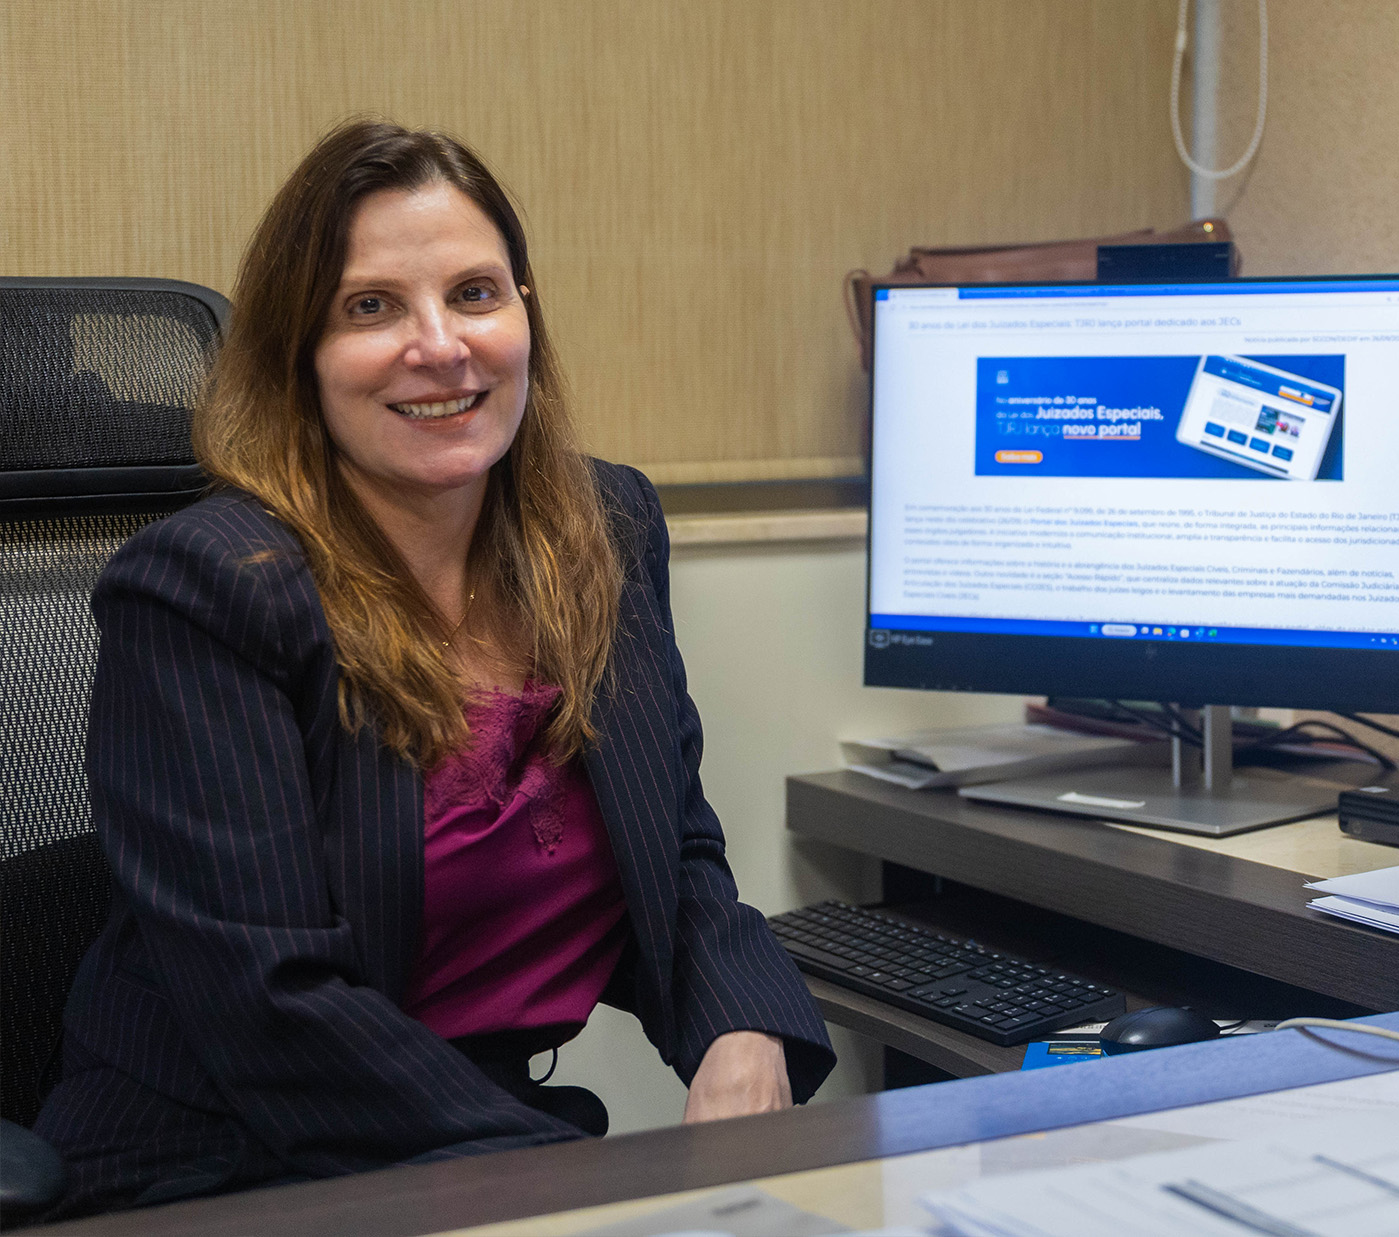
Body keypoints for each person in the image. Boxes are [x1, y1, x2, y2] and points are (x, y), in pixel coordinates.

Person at [32, 119, 834, 1217]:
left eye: (473, 293)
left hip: (480, 1145)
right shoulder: (207, 590)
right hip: (225, 1164)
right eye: (371, 307)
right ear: (297, 355)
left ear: (525, 315)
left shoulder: (603, 528)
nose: (441, 345)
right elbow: (272, 1006)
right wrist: (587, 1183)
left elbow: (676, 849)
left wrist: (743, 1026)